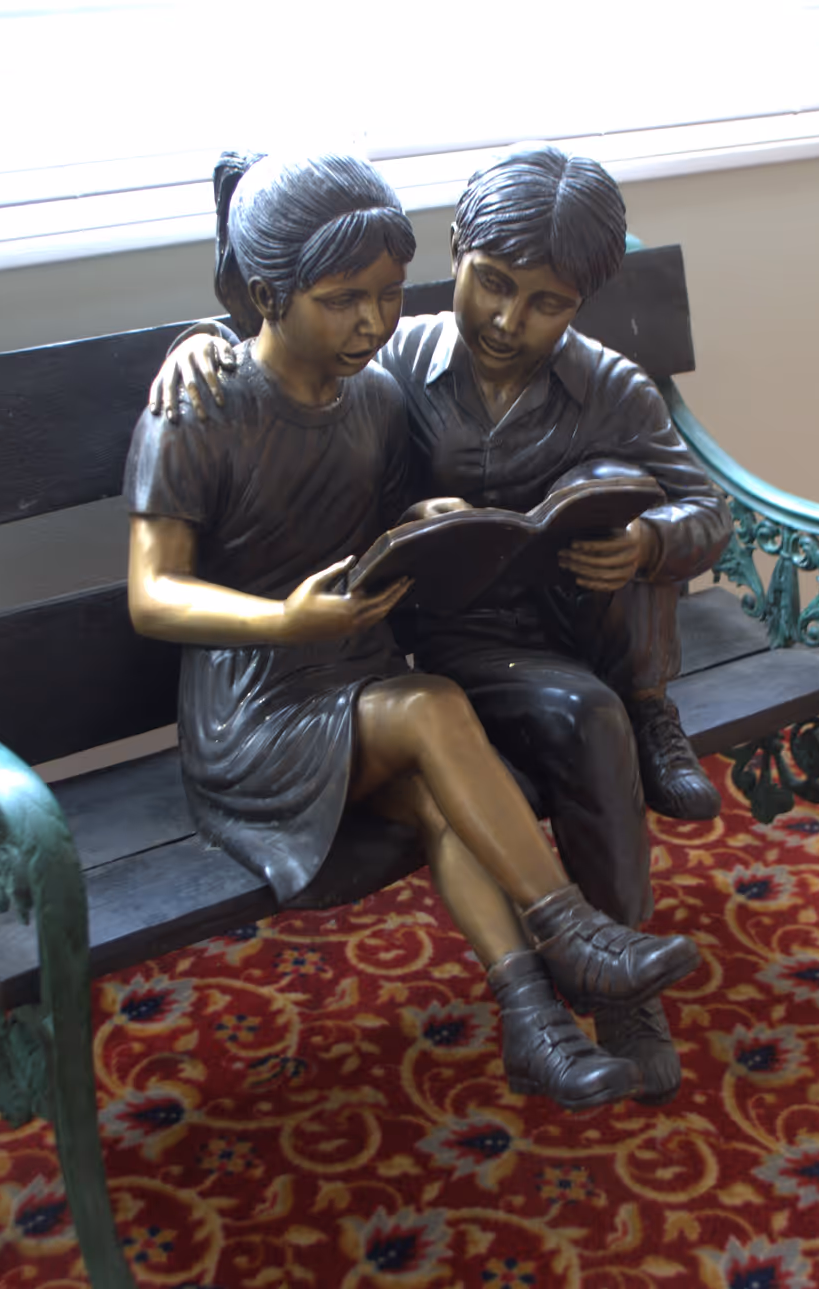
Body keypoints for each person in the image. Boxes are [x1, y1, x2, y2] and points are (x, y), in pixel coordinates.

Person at [149, 145, 731, 1104]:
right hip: (409, 653)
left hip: (555, 631)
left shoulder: (586, 384)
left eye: (547, 303)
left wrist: (642, 545)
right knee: (513, 719)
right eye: (492, 285)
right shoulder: (385, 359)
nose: (509, 320)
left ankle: (561, 1006)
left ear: (583, 300)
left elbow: (702, 508)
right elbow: (279, 337)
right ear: (453, 256)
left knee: (577, 695)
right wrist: (198, 337)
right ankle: (583, 948)